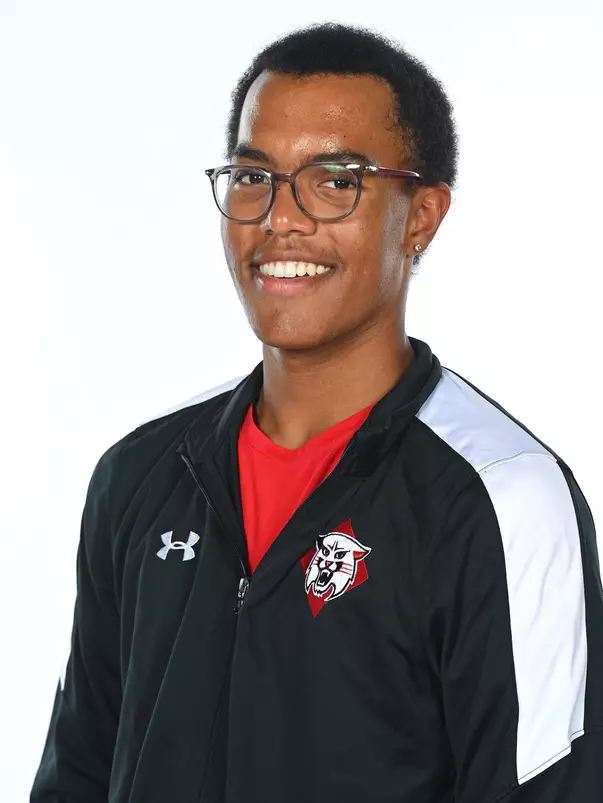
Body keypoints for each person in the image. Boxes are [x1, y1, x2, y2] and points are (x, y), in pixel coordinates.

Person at [31, 22, 602, 803]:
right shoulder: (140, 474)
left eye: (336, 180)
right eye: (253, 177)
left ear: (423, 216)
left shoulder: (504, 498)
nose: (280, 219)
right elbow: (78, 774)